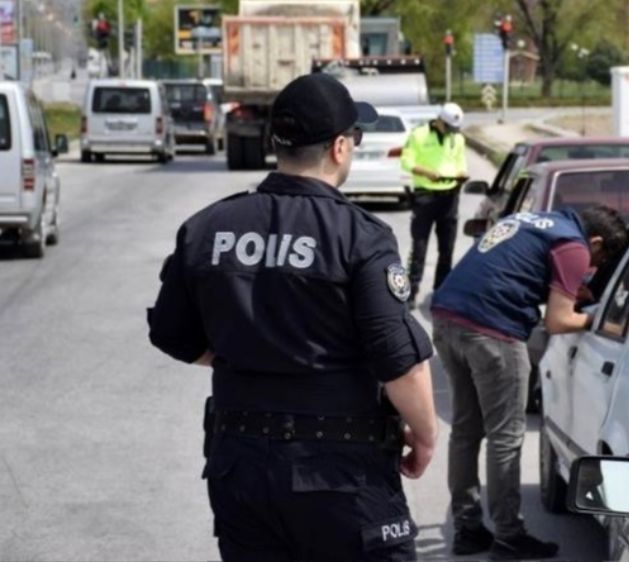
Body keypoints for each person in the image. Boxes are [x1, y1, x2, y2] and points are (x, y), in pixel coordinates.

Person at [147, 73, 437, 561]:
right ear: (341, 147)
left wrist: (249, 356)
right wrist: (425, 436)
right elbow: (399, 362)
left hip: (239, 466)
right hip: (340, 473)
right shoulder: (360, 237)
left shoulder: (207, 227)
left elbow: (171, 334)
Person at [431, 206, 628, 559]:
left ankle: (468, 528)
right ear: (595, 241)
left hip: (448, 320)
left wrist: (565, 290)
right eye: (598, 258)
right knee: (505, 436)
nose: (592, 267)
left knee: (465, 431)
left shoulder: (534, 221)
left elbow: (512, 271)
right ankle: (509, 535)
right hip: (493, 333)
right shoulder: (573, 245)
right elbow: (558, 320)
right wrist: (597, 321)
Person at [399, 102, 468, 309]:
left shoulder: (457, 138)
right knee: (419, 247)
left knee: (447, 249)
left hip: (450, 196)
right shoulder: (419, 135)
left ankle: (441, 292)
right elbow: (406, 161)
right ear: (439, 121)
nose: (450, 132)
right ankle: (411, 293)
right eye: (448, 127)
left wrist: (461, 174)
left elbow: (460, 162)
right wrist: (426, 172)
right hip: (426, 196)